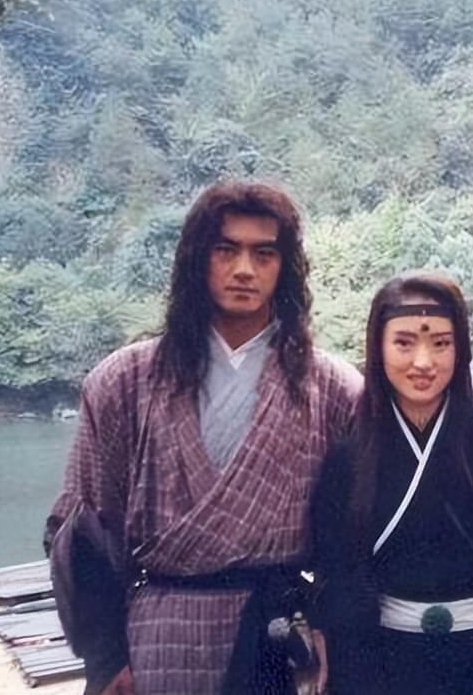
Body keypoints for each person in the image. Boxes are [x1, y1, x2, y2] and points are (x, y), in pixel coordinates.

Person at [44, 181, 362, 695]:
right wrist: (106, 660)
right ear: (197, 258)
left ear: (285, 267)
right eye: (225, 250)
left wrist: (331, 631)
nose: (244, 269)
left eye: (264, 253)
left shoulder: (334, 388)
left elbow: (355, 541)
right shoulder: (123, 382)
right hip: (157, 643)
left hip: (278, 639)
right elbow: (81, 531)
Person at [309, 272, 473, 694]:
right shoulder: (347, 459)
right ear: (378, 347)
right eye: (404, 343)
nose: (423, 362)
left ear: (460, 349)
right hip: (390, 665)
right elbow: (338, 576)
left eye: (441, 343)